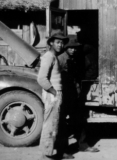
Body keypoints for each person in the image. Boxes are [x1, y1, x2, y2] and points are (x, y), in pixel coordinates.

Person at [58, 37, 100, 154]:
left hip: (74, 95)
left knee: (79, 120)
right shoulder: (61, 59)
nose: (73, 50)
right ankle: (62, 150)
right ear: (66, 48)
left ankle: (83, 145)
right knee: (62, 123)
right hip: (65, 96)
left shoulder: (75, 59)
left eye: (75, 48)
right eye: (70, 48)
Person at [37, 31, 73, 160]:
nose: (60, 45)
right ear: (51, 43)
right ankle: (47, 154)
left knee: (55, 124)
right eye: (57, 42)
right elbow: (41, 79)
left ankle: (52, 151)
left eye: (62, 42)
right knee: (50, 125)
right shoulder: (49, 56)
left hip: (55, 94)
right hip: (52, 94)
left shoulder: (54, 56)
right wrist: (54, 92)